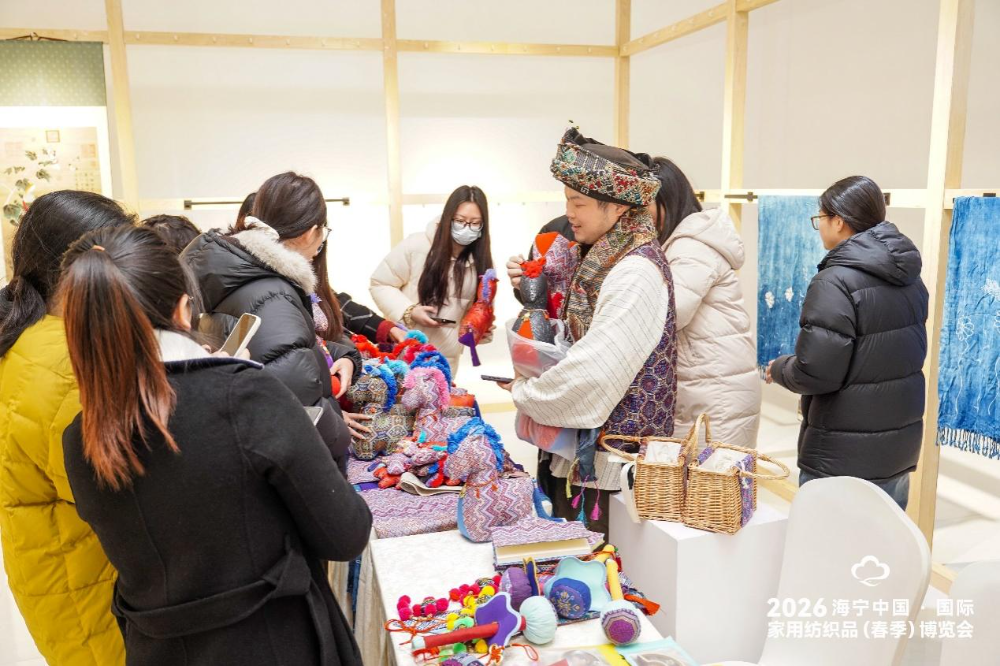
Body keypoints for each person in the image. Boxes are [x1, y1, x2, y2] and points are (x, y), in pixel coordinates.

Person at [60, 224, 372, 666]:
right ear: (183, 310)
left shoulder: (80, 436)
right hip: (272, 646)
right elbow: (345, 534)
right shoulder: (245, 397)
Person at [501, 128, 678, 536]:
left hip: (613, 464)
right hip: (590, 454)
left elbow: (594, 374)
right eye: (567, 200)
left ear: (617, 207)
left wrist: (526, 393)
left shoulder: (635, 270)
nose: (569, 213)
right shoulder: (603, 255)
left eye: (578, 202)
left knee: (605, 562)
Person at [0, 190, 130, 665]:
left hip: (62, 584)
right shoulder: (67, 362)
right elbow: (125, 494)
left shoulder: (26, 337)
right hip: (96, 600)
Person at [766, 175, 928, 510]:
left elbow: (817, 373)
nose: (820, 227)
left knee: (828, 541)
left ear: (838, 221)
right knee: (885, 541)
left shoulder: (834, 282)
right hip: (897, 452)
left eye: (820, 219)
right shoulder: (910, 278)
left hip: (841, 458)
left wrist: (779, 368)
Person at [183, 172, 357, 473]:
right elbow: (302, 407)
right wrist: (341, 436)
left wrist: (346, 355)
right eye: (323, 232)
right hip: (295, 468)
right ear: (310, 233)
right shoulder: (274, 296)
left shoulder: (234, 272)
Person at [649, 157, 760, 449]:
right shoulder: (684, 241)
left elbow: (671, 314)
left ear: (667, 201)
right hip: (710, 383)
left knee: (713, 475)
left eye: (644, 205)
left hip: (716, 391)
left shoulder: (691, 247)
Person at [370, 185, 494, 374]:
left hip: (446, 360)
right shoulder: (416, 245)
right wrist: (410, 311)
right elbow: (380, 284)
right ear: (448, 218)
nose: (466, 228)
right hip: (407, 351)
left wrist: (480, 330)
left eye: (475, 223)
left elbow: (478, 309)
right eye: (460, 221)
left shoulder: (482, 261)